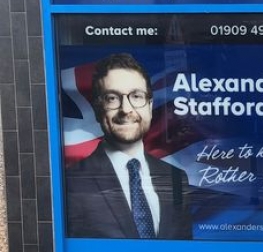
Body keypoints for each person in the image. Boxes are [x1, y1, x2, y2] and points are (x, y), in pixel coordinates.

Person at [64, 52, 192, 239]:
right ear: (98, 110)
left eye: (136, 96)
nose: (126, 109)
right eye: (112, 98)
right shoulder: (73, 182)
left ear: (149, 106)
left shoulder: (176, 178)